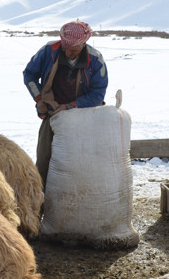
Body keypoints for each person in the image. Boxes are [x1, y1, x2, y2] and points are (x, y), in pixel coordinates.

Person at [23, 19, 108, 190]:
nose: (69, 53)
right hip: (52, 114)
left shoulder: (95, 59)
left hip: (83, 117)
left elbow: (98, 94)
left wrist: (71, 106)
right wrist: (40, 100)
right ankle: (40, 204)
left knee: (78, 161)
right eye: (66, 48)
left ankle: (75, 201)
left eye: (74, 50)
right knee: (44, 160)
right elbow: (29, 74)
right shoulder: (49, 51)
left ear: (83, 44)